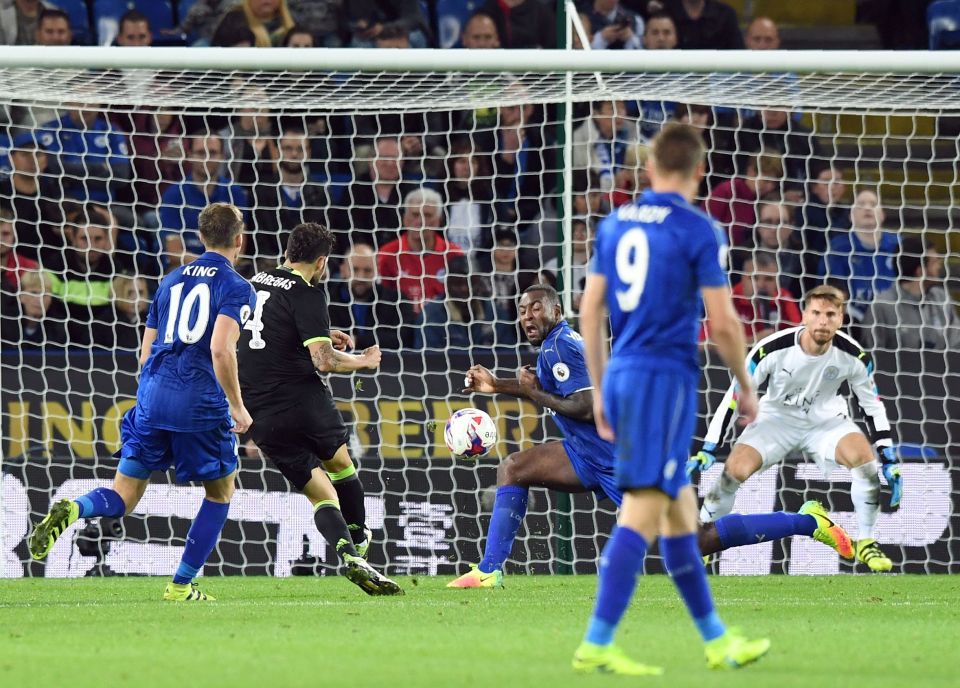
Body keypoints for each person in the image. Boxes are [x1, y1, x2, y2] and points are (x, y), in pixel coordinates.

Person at [449, 282, 849, 593]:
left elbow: (587, 407)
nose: (528, 316)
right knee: (514, 468)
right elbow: (564, 398)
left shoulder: (563, 348)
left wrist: (531, 391)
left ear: (556, 310)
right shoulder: (554, 348)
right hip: (586, 453)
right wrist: (498, 386)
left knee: (697, 540)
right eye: (522, 310)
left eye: (537, 307)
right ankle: (488, 571)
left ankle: (806, 521)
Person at [574, 122, 770, 674]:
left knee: (682, 513)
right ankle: (598, 640)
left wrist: (602, 384)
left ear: (650, 167)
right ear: (698, 172)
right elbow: (726, 324)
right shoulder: (696, 228)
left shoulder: (614, 223)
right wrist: (746, 387)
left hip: (625, 375)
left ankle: (716, 641)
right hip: (665, 380)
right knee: (642, 511)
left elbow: (590, 311)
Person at [28, 203, 257, 602]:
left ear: (200, 238)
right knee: (220, 493)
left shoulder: (170, 281)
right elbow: (221, 350)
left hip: (152, 397)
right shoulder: (238, 287)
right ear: (240, 240)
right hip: (199, 403)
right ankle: (180, 586)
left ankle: (76, 509)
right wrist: (237, 406)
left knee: (124, 496)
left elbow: (144, 352)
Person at [238, 222, 402, 596]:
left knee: (321, 495)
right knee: (342, 468)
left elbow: (267, 336)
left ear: (288, 251)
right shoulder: (306, 291)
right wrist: (364, 360)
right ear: (322, 261)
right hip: (301, 398)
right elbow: (325, 361)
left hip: (258, 410)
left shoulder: (254, 282)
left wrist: (324, 333)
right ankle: (358, 540)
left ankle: (347, 553)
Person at [692, 285, 902, 574]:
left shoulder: (854, 356)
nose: (823, 321)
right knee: (731, 475)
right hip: (775, 419)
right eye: (816, 313)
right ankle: (700, 546)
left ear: (841, 317)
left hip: (826, 420)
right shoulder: (773, 348)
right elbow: (735, 396)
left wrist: (888, 457)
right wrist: (709, 447)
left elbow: (872, 406)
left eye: (830, 314)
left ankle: (866, 541)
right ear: (804, 315)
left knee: (866, 463)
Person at [862, 236, 960, 351]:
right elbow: (871, 354)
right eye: (935, 262)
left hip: (941, 367)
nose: (939, 267)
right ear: (920, 271)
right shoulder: (882, 305)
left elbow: (956, 343)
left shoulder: (941, 298)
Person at [820, 187, 899, 323]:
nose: (867, 208)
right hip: (852, 323)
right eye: (861, 204)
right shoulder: (838, 248)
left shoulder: (899, 246)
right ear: (850, 216)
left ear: (883, 214)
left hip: (894, 321)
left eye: (873, 204)